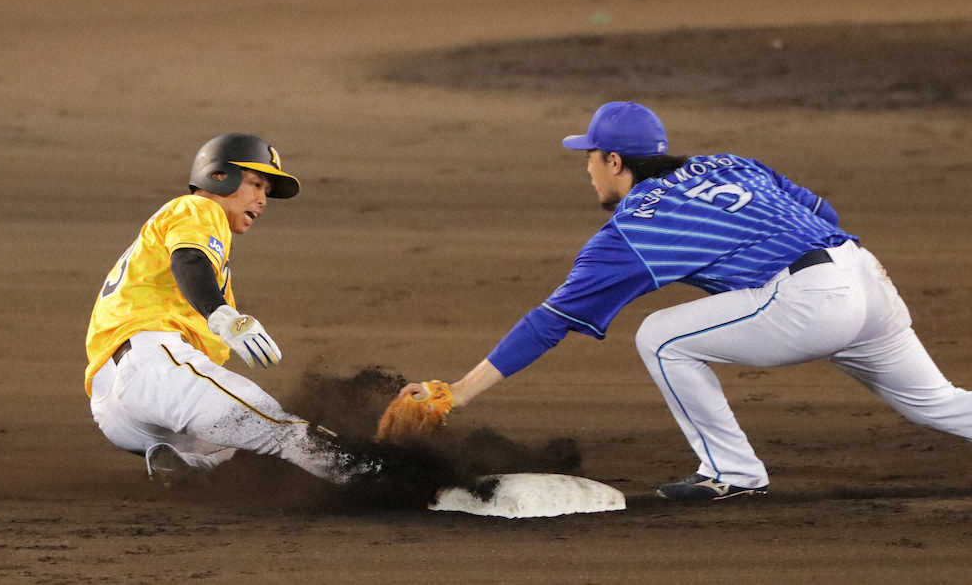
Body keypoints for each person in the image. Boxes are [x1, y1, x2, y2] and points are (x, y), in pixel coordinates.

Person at [402, 101, 972, 500]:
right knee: (936, 402)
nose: (587, 168)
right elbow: (826, 215)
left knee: (661, 336)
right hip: (866, 275)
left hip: (813, 300)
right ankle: (733, 468)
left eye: (590, 156)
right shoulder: (730, 163)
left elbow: (550, 321)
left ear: (615, 162)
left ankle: (732, 472)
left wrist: (456, 392)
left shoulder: (637, 227)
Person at [85, 133, 376, 485]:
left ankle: (190, 464)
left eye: (266, 191)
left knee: (242, 452)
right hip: (155, 368)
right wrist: (222, 315)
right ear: (220, 176)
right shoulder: (199, 209)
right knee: (276, 427)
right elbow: (189, 261)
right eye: (256, 184)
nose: (262, 199)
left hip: (118, 411)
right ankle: (388, 482)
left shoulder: (175, 229)